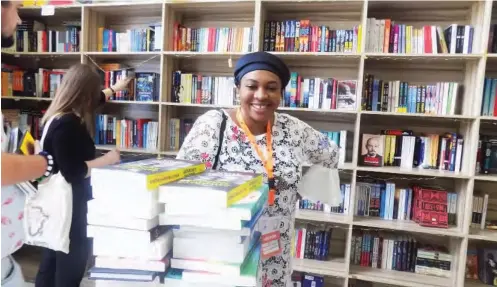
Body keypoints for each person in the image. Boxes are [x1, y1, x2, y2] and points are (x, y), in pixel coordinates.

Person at [176, 51, 339, 286]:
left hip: (276, 253)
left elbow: (331, 153)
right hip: (225, 253)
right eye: (251, 86)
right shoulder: (213, 125)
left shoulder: (293, 129)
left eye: (271, 88)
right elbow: (181, 183)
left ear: (281, 94)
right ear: (238, 89)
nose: (261, 96)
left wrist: (300, 190)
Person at [34, 63, 131, 287]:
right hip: (71, 209)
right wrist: (108, 160)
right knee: (70, 265)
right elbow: (73, 172)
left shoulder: (56, 116)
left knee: (50, 262)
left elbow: (97, 100)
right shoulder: (68, 125)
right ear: (85, 94)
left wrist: (116, 88)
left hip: (55, 206)